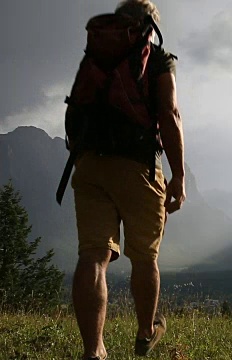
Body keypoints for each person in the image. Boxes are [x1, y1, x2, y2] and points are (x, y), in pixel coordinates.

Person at [68, 1, 185, 359]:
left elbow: (74, 109)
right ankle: (146, 333)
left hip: (88, 166)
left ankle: (94, 351)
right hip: (138, 167)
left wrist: (84, 155)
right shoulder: (157, 59)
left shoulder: (95, 57)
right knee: (144, 257)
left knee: (93, 256)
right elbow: (169, 114)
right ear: (149, 25)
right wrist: (178, 175)